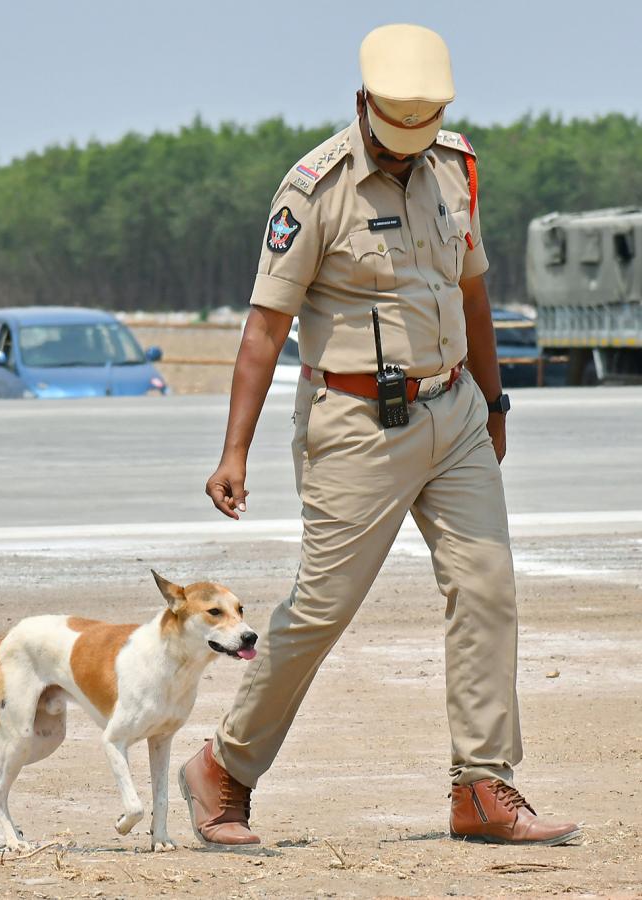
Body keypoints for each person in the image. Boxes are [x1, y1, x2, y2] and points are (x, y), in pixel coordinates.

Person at [178, 24, 580, 847]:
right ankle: (223, 767)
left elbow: (473, 292)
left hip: (457, 410)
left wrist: (496, 406)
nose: (404, 154)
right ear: (362, 105)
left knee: (488, 588)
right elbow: (264, 328)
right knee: (320, 611)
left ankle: (483, 786)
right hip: (358, 424)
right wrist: (233, 452)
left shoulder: (453, 166)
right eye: (393, 138)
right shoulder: (312, 191)